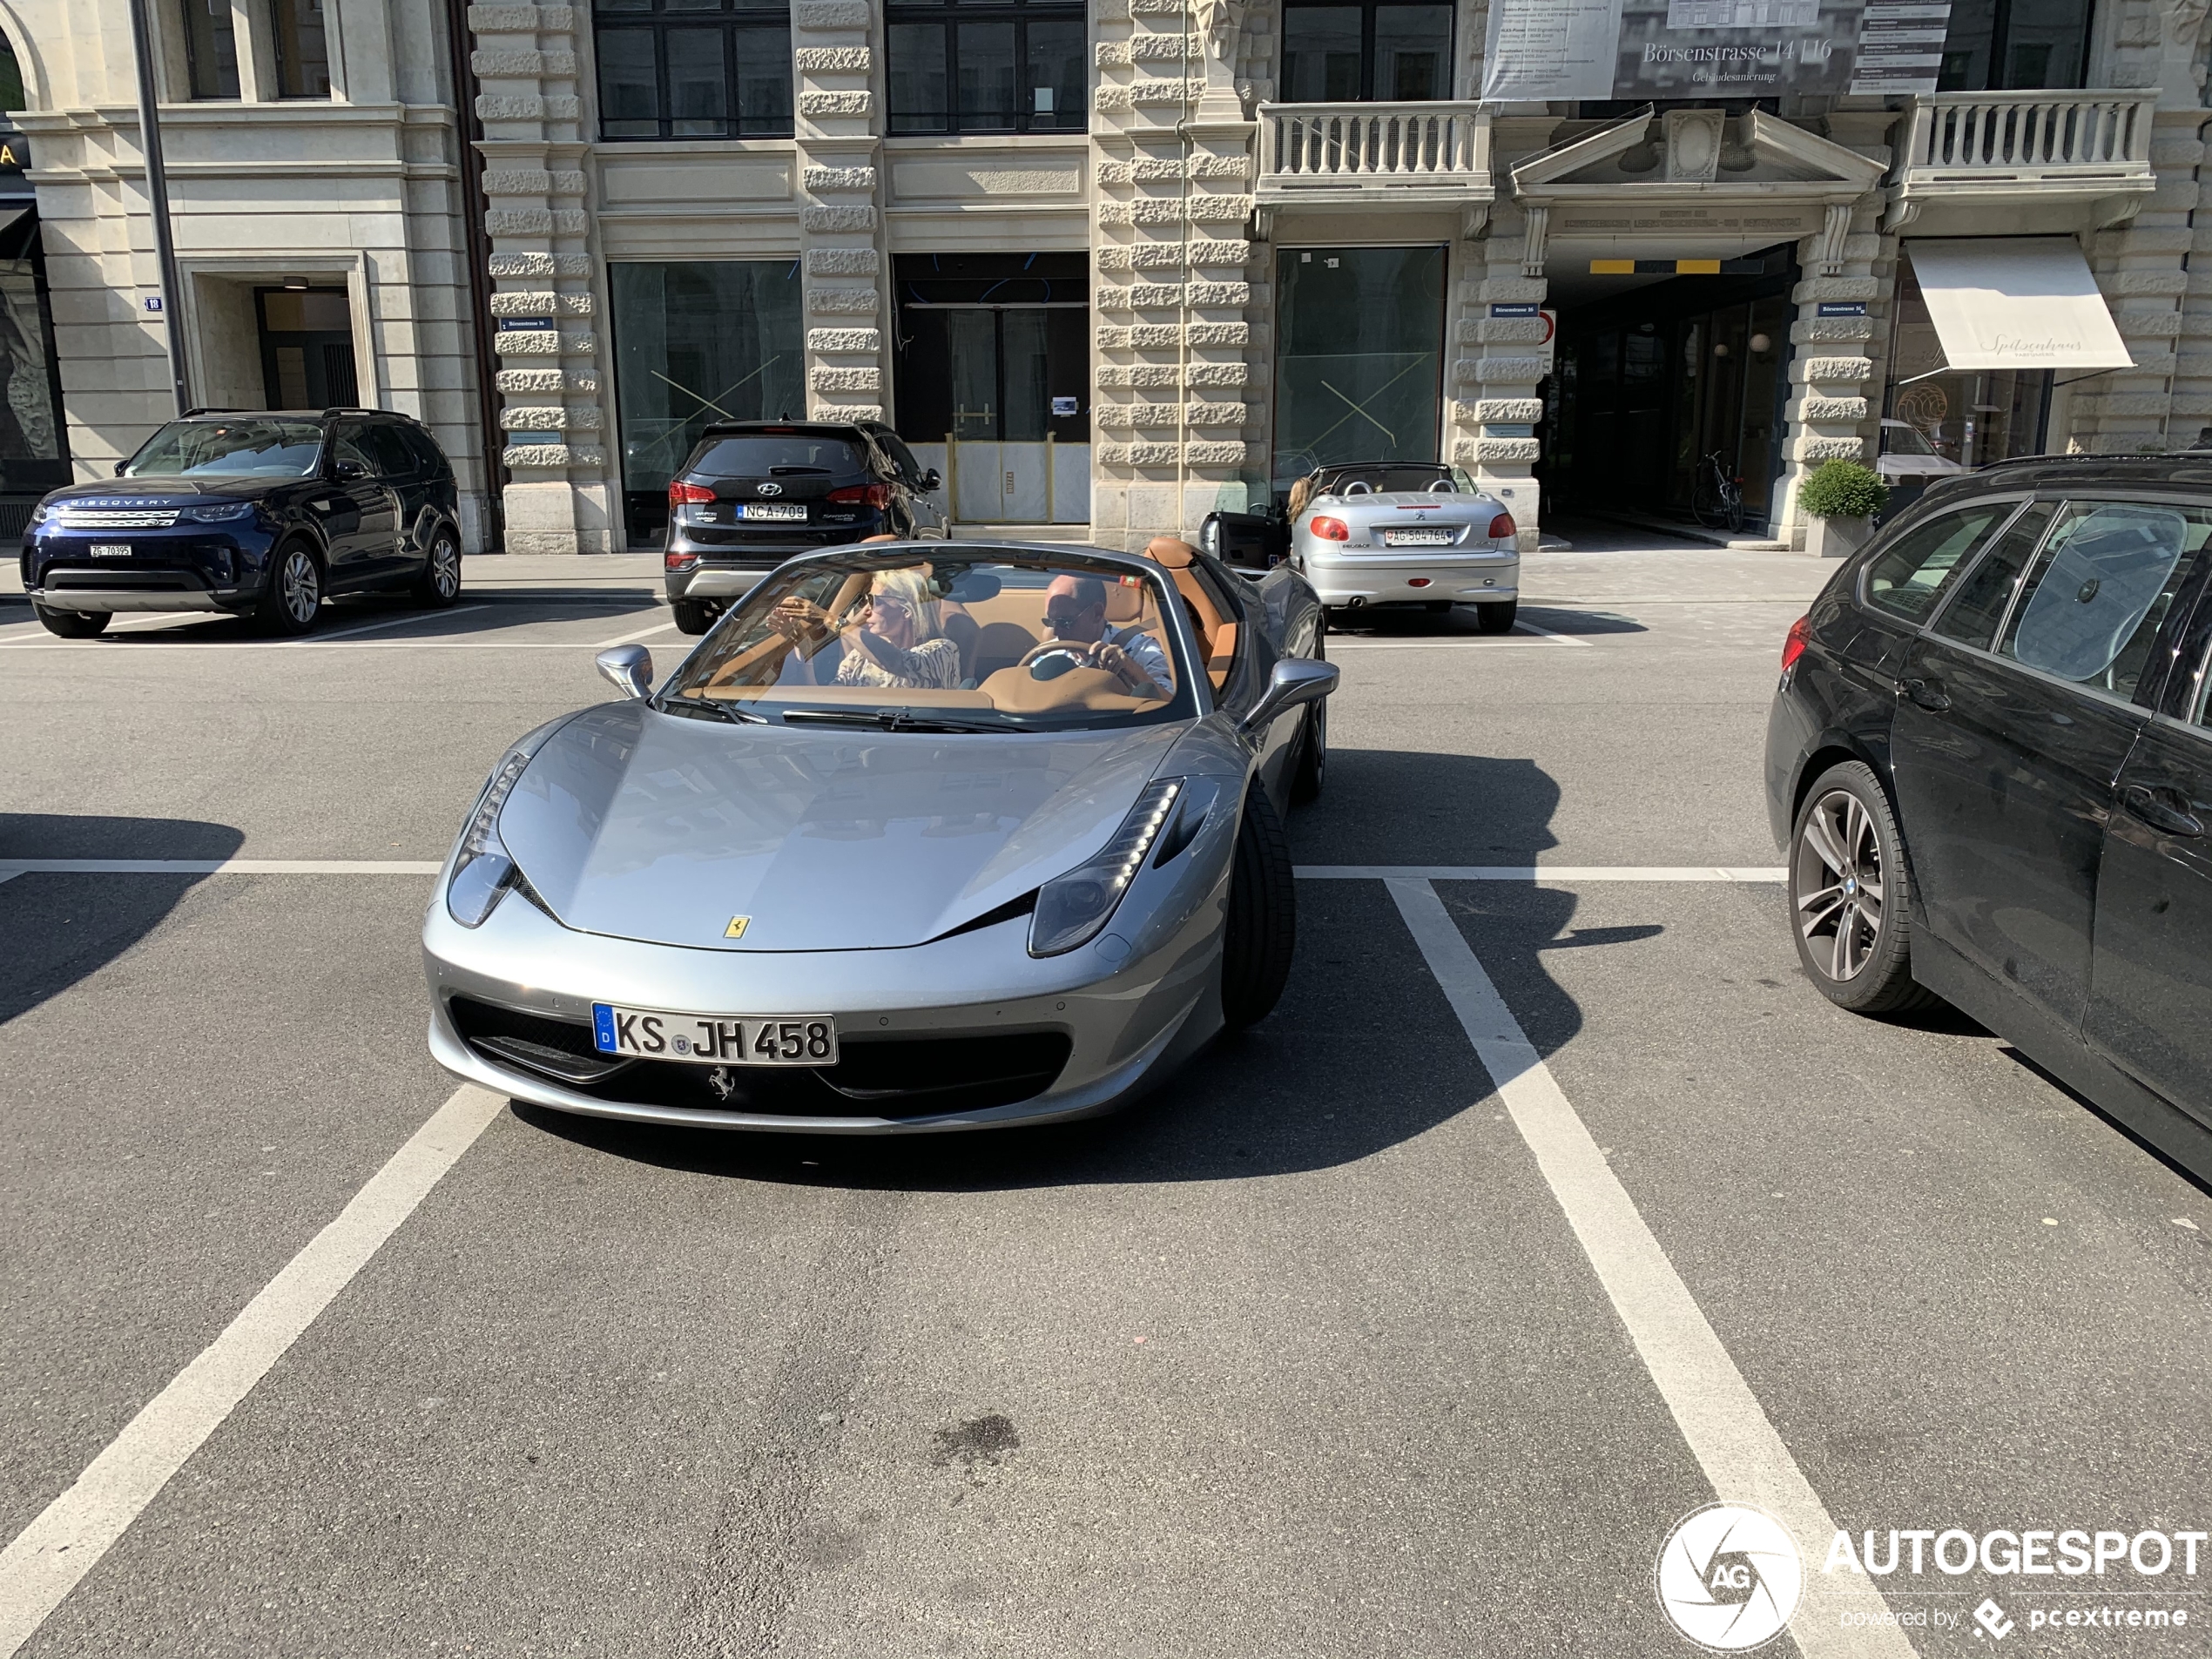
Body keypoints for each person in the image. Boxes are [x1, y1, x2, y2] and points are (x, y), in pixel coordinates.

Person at [769, 566, 961, 689]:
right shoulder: (860, 657)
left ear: (907, 610)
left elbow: (897, 662)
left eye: (874, 601)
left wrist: (829, 617)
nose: (866, 611)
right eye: (866, 600)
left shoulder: (943, 650)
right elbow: (825, 700)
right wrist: (803, 647)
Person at [1040, 574, 1172, 699]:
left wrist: (1131, 669)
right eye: (1051, 622)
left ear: (1097, 613)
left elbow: (1171, 703)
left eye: (1065, 622)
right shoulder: (1050, 653)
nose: (1056, 631)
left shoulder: (1141, 649)